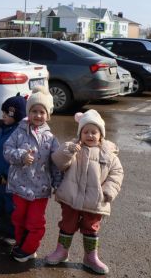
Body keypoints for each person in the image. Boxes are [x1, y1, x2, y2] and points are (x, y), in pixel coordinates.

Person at [45, 110, 124, 274]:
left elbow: (117, 173)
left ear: (101, 134)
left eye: (94, 132)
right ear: (80, 134)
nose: (89, 135)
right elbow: (58, 161)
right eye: (85, 132)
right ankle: (62, 251)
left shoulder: (108, 154)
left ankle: (90, 257)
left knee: (91, 227)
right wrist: (68, 150)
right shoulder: (74, 147)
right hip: (71, 198)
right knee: (67, 224)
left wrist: (108, 190)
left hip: (95, 200)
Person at [4, 86, 62, 262]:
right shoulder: (19, 131)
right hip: (19, 186)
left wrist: (58, 185)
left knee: (35, 222)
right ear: (29, 112)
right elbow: (6, 150)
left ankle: (29, 248)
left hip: (40, 189)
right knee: (19, 218)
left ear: (48, 114)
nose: (38, 115)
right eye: (34, 111)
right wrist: (21, 156)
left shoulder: (51, 138)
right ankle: (22, 244)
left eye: (42, 112)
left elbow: (56, 164)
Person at [0, 94, 26, 246]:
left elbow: (18, 160)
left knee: (11, 207)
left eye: (6, 114)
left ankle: (12, 232)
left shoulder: (19, 134)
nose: (2, 116)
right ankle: (1, 227)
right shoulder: (2, 130)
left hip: (10, 180)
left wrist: (7, 176)